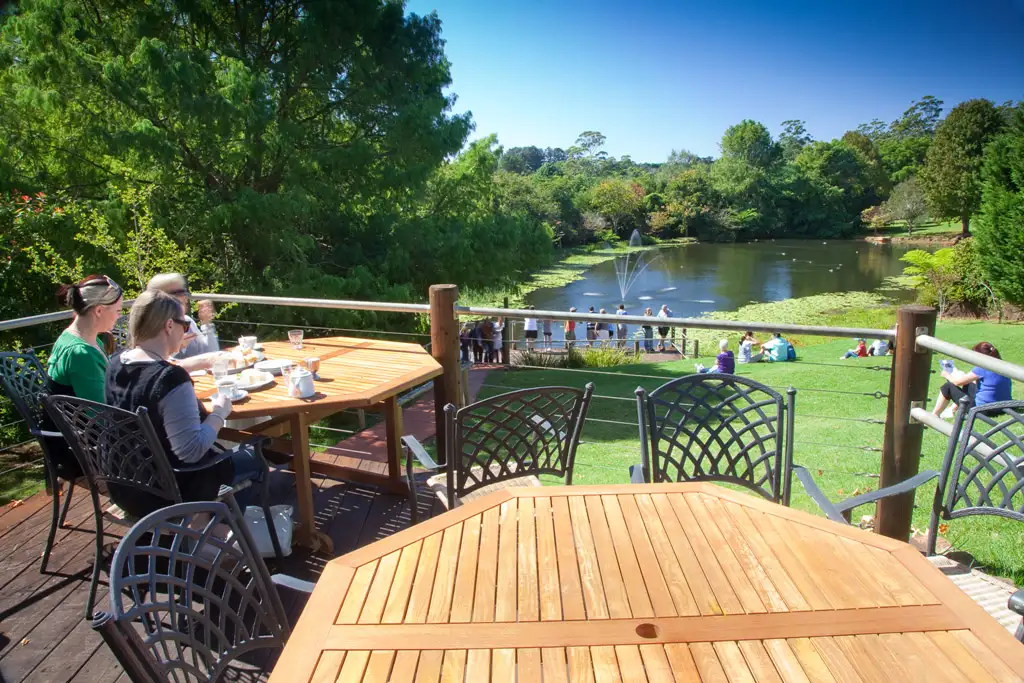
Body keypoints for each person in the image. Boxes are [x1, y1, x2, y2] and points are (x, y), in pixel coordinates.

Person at [104, 290, 273, 516]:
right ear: (168, 326)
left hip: (127, 487)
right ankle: (223, 533)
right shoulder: (170, 380)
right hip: (169, 492)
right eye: (185, 325)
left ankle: (206, 531)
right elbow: (191, 451)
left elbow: (149, 375)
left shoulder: (116, 363)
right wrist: (220, 412)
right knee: (258, 458)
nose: (187, 331)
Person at [48, 275, 124, 404]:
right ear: (99, 311)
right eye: (118, 310)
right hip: (86, 423)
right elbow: (101, 415)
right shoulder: (82, 354)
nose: (119, 316)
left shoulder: (72, 337)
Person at [146, 273, 219, 367]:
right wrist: (176, 348)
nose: (186, 299)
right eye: (180, 294)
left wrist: (206, 324)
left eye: (185, 294)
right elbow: (151, 367)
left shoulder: (187, 321)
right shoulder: (149, 330)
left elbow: (211, 353)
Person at [932, 342, 1013, 417]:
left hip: (984, 410)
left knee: (947, 387)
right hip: (1003, 407)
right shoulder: (1003, 365)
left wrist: (946, 375)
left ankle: (935, 415)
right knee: (968, 383)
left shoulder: (982, 367)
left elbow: (957, 382)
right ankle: (952, 410)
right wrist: (963, 376)